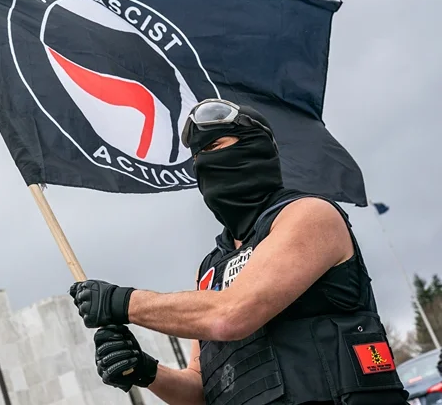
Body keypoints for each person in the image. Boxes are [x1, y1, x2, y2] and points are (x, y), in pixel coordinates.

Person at [69, 98, 409, 405]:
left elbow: (231, 314)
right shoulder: (209, 270)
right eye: (197, 157)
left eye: (214, 146)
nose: (203, 162)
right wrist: (146, 371)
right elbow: (201, 389)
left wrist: (122, 303)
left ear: (255, 149)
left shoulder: (309, 216)